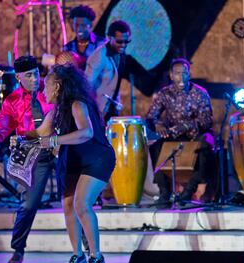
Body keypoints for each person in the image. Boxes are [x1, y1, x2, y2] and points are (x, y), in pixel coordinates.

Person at [30, 64, 115, 263]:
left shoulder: (78, 104)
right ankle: (78, 255)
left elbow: (86, 132)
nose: (43, 91)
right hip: (74, 162)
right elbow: (39, 134)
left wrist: (54, 140)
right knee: (67, 205)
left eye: (46, 86)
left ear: (57, 86)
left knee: (81, 204)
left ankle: (96, 257)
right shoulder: (55, 112)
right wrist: (13, 138)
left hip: (96, 158)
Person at [0, 56, 55, 263]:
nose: (35, 79)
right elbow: (0, 130)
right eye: (29, 75)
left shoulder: (51, 91)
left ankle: (85, 249)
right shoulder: (12, 101)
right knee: (28, 204)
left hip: (61, 148)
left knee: (74, 202)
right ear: (18, 77)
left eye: (36, 73)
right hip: (34, 156)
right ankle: (18, 249)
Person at [146, 58, 215, 206]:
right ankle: (164, 191)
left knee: (206, 144)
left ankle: (188, 191)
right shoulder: (165, 93)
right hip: (173, 135)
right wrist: (158, 124)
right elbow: (151, 116)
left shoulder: (200, 93)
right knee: (155, 144)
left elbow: (207, 120)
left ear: (189, 74)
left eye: (185, 73)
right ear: (171, 75)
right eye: (177, 73)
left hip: (196, 134)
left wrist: (187, 125)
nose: (181, 77)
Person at [85, 20, 131, 122]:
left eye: (126, 42)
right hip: (99, 109)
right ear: (110, 38)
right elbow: (87, 85)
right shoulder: (99, 56)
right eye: (119, 41)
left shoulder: (120, 52)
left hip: (112, 106)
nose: (123, 45)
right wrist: (94, 110)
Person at [63, 5, 105, 70]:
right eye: (76, 25)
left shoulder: (102, 44)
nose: (79, 29)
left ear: (91, 25)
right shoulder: (68, 48)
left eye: (83, 25)